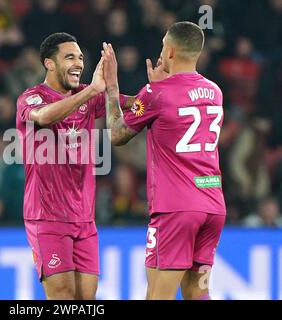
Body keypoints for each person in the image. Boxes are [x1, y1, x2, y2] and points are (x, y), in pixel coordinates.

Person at [102, 21, 226, 300]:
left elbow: (117, 135)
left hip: (177, 209)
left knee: (157, 296)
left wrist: (112, 90)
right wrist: (159, 88)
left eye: (162, 47)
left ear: (169, 52)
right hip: (213, 205)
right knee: (198, 292)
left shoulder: (156, 94)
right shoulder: (215, 92)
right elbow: (180, 107)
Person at [16, 32, 133, 300]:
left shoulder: (86, 96)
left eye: (80, 58)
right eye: (70, 57)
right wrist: (93, 90)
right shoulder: (32, 97)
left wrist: (167, 90)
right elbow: (44, 117)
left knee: (86, 300)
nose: (79, 63)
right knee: (63, 298)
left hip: (84, 219)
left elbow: (132, 103)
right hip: (46, 217)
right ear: (49, 63)